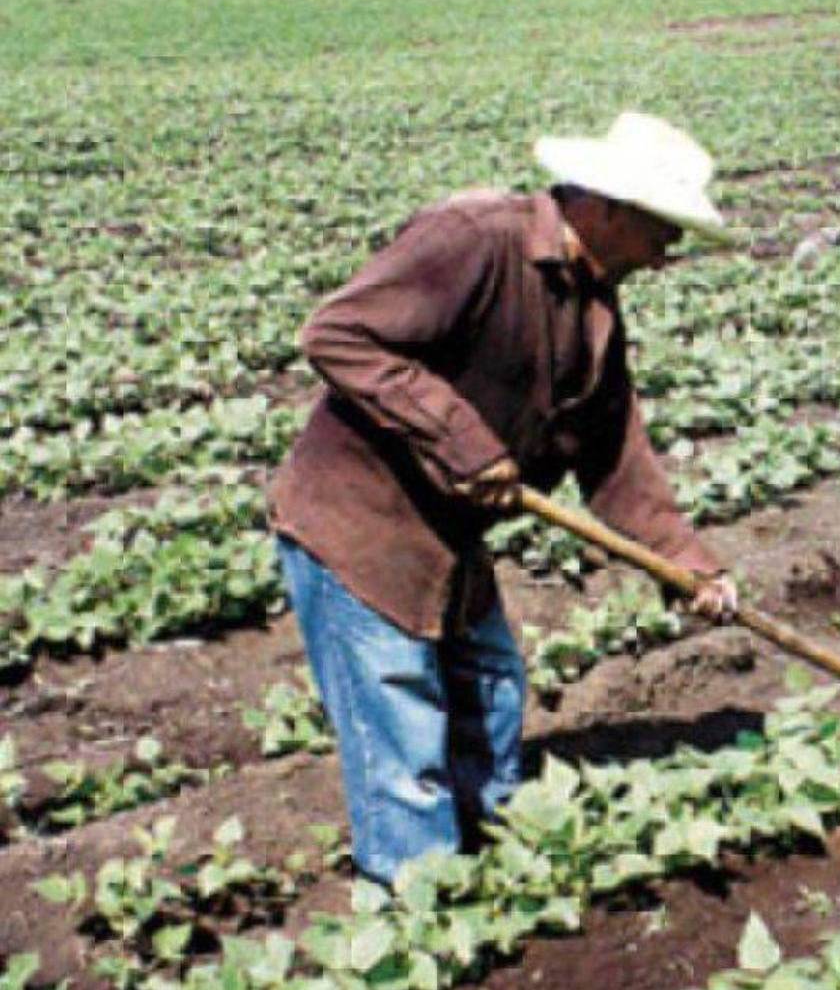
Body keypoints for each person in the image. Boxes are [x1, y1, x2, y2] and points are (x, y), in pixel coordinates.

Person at [267, 112, 742, 884]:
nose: (671, 250)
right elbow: (336, 331)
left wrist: (686, 563)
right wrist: (460, 439)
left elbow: (615, 453)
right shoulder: (473, 240)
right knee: (401, 729)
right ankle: (416, 916)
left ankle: (499, 864)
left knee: (490, 692)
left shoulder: (593, 302)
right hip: (360, 525)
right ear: (610, 206)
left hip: (450, 534)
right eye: (665, 227)